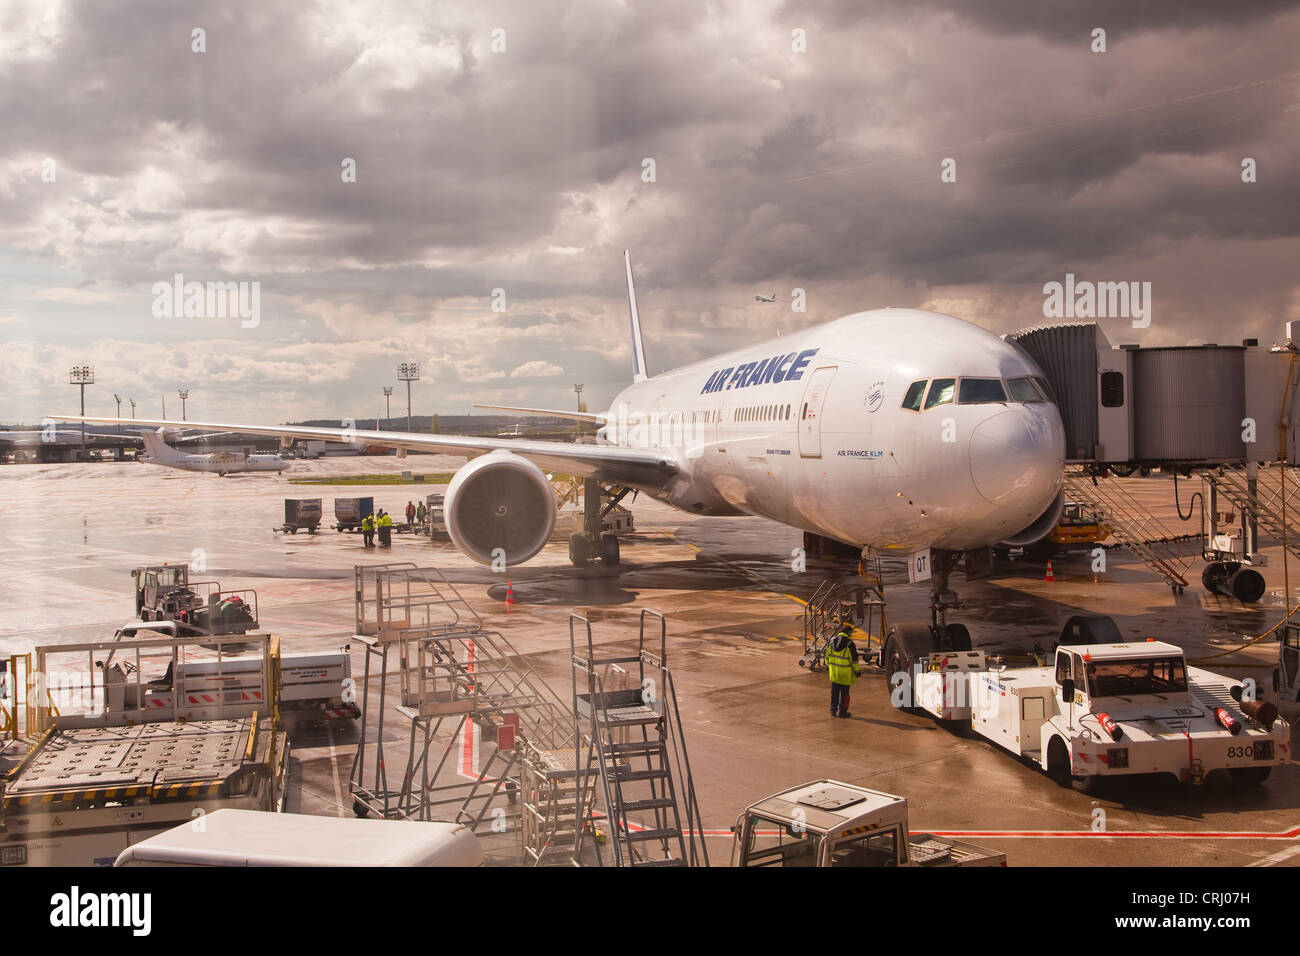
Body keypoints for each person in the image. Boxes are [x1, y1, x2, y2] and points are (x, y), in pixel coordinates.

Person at [825, 621, 860, 718]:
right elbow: (854, 661)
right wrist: (857, 672)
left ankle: (833, 710)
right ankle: (842, 712)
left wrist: (830, 667)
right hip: (845, 675)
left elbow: (827, 657)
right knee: (845, 695)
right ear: (848, 633)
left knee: (834, 693)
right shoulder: (850, 644)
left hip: (834, 674)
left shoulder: (832, 641)